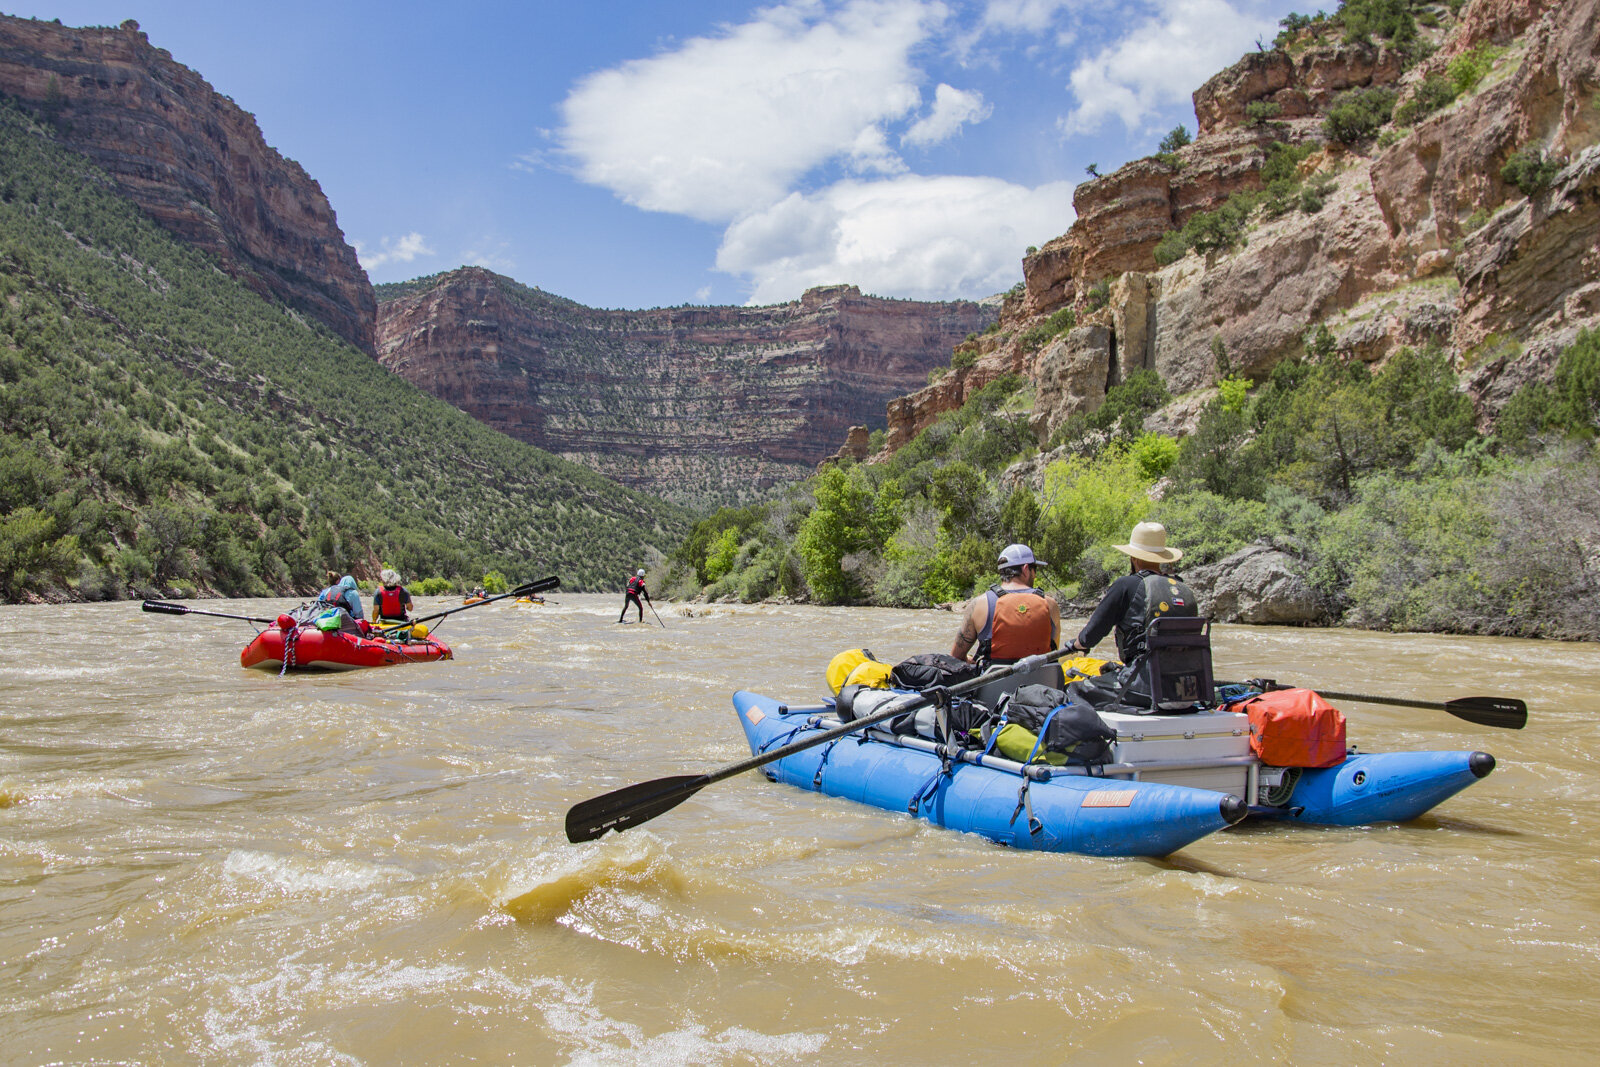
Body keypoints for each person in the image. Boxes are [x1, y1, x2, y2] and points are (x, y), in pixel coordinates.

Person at [1066, 522, 1192, 664]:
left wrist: (1077, 644)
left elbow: (1092, 634)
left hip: (1144, 678)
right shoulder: (1182, 587)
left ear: (1134, 558)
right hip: (1183, 677)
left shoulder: (1126, 585)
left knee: (1075, 686)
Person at [951, 544, 1061, 665]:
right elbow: (1054, 650)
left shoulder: (979, 604)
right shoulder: (1050, 604)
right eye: (1034, 569)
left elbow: (956, 656)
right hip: (1042, 680)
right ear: (1025, 569)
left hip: (995, 681)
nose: (1035, 574)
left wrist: (971, 661)